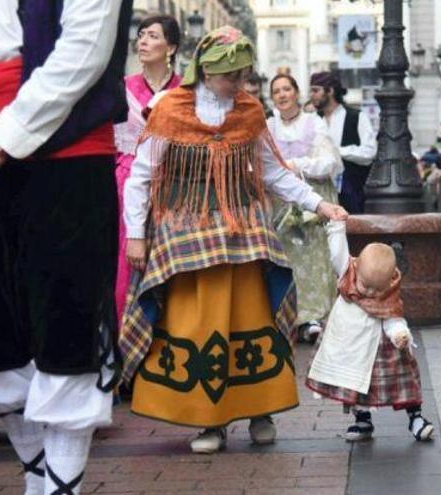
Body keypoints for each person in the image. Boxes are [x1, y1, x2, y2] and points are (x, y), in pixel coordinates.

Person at [0, 1, 132, 493]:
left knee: (66, 331)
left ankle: (59, 487)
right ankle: (41, 470)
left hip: (68, 162)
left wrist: (4, 135)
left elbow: (83, 53)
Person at [120, 26, 348, 455]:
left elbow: (274, 173)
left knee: (252, 317)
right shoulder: (169, 110)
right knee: (198, 322)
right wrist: (136, 235)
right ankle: (210, 420)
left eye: (243, 75)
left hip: (242, 226)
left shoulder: (248, 111)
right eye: (231, 76)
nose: (239, 84)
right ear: (206, 71)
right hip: (185, 228)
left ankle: (261, 411)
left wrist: (321, 206)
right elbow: (141, 177)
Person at [306, 221, 434, 442]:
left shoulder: (388, 295)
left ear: (389, 281)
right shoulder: (348, 274)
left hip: (381, 351)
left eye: (377, 288)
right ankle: (362, 419)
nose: (370, 292)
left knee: (402, 380)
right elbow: (338, 253)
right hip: (350, 346)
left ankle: (416, 417)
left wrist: (399, 334)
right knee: (353, 385)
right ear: (357, 271)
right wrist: (336, 227)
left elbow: (392, 318)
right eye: (366, 285)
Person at [114, 15, 182, 330]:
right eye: (141, 35)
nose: (142, 41)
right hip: (125, 182)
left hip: (175, 185)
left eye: (152, 36)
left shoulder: (185, 91)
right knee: (125, 264)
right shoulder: (122, 88)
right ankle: (125, 335)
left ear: (171, 47)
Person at [267, 74, 343, 344]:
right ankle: (288, 315)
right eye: (276, 91)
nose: (282, 94)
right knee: (287, 258)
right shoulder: (268, 126)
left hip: (312, 198)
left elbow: (329, 162)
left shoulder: (314, 123)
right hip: (280, 204)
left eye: (287, 89)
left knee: (314, 258)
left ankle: (313, 317)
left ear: (297, 92)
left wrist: (299, 165)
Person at [310, 72, 377, 214]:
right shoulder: (312, 120)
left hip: (352, 196)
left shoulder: (358, 117)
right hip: (318, 198)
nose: (311, 95)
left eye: (316, 90)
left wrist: (336, 152)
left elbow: (369, 152)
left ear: (330, 91)